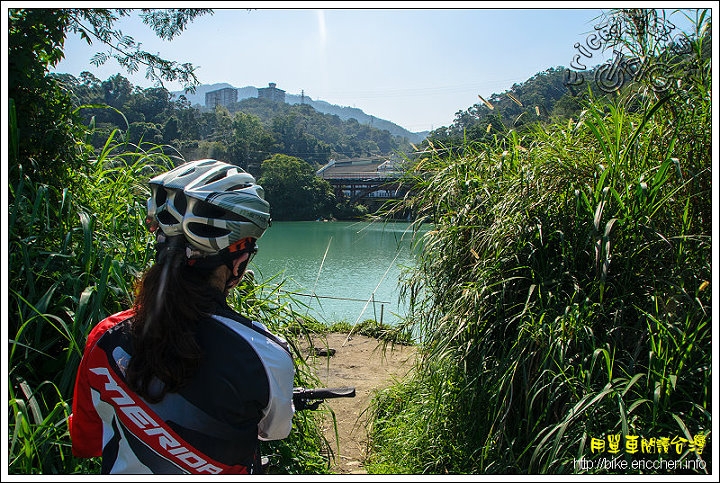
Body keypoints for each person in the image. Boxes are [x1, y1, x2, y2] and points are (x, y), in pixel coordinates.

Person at [69, 159, 295, 474]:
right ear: (239, 262)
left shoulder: (106, 338)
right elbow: (274, 431)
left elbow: (87, 440)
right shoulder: (267, 355)